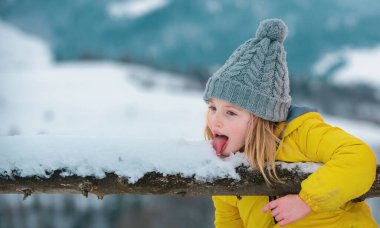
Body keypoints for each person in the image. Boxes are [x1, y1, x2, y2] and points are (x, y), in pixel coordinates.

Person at [203, 18, 378, 227]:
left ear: (262, 118)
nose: (216, 120)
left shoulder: (302, 134)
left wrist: (307, 201)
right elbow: (229, 221)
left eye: (230, 113)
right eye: (212, 108)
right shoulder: (227, 165)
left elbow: (359, 158)